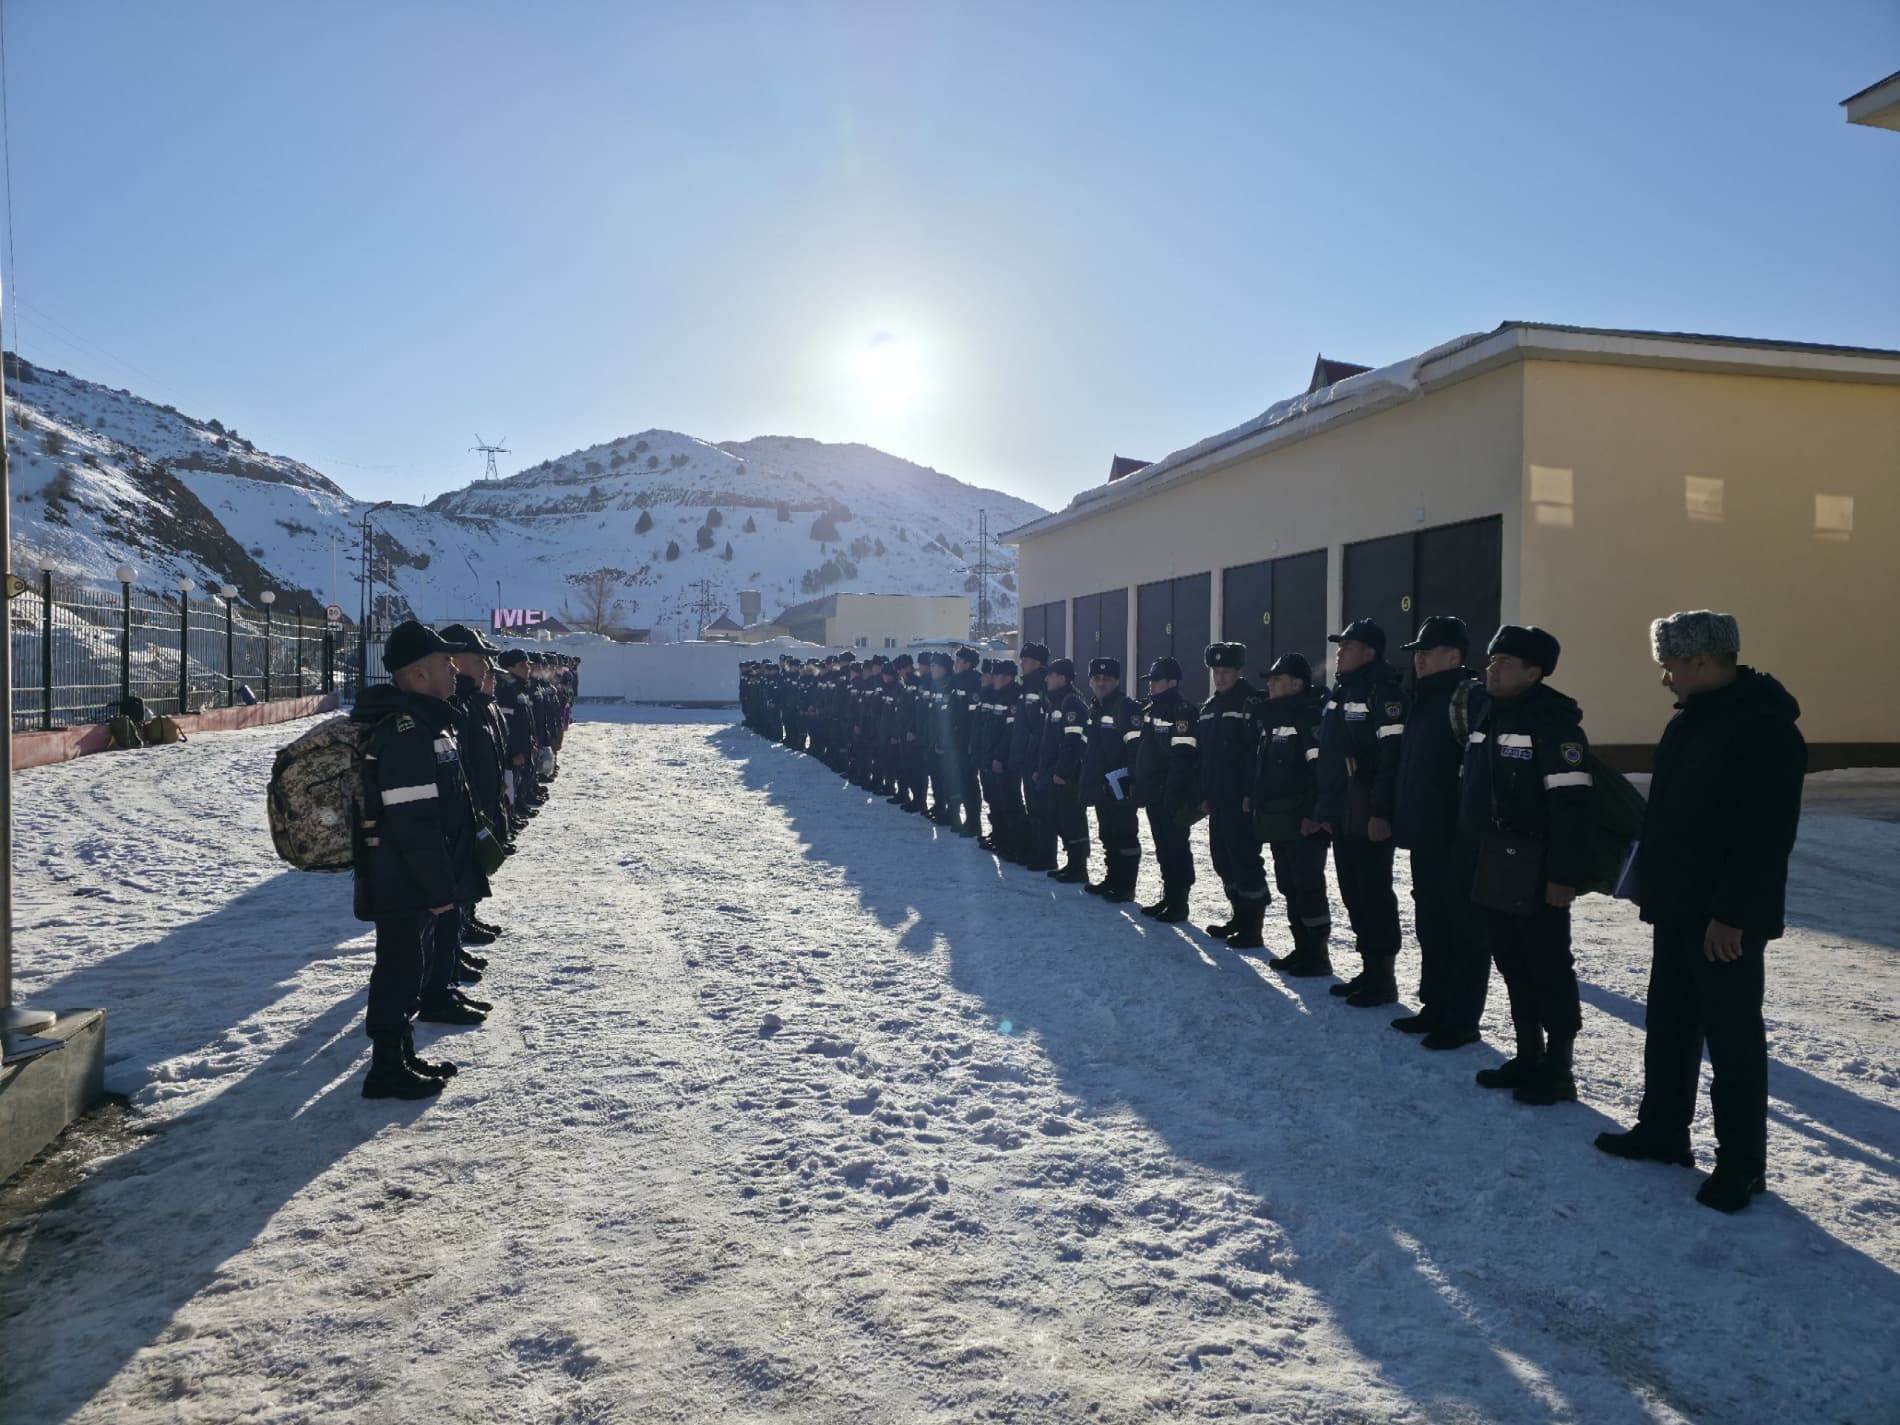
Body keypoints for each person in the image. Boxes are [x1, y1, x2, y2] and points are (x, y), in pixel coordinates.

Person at [1596, 611, 1806, 1213]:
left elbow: (1765, 838)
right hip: (1677, 906)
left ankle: (1742, 1164)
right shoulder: (1691, 721)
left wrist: (1734, 914)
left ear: (1703, 661)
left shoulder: (1763, 729)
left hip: (1724, 919)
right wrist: (1650, 882)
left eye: (1670, 665)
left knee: (1732, 1038)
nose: (1665, 677)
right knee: (1670, 1023)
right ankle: (1664, 1131)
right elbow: (1669, 816)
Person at [1457, 625, 1593, 1106]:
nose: (1492, 670)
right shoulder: (1490, 713)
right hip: (1496, 861)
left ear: (1534, 673)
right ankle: (1527, 1054)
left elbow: (1572, 807)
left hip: (1538, 868)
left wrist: (1563, 876)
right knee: (1511, 958)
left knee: (1548, 964)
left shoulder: (1554, 724)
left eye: (1505, 664)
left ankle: (1558, 1068)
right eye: (1491, 661)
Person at [350, 621, 485, 1101]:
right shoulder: (407, 731)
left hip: (411, 876)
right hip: (402, 877)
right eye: (445, 663)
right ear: (419, 675)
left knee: (408, 966)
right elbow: (414, 822)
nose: (454, 671)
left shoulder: (427, 721)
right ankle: (386, 1068)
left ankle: (400, 1054)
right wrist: (437, 887)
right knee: (398, 970)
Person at [1391, 616, 1489, 1049]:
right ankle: (1434, 1006)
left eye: (1427, 653)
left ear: (1454, 656)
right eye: (1418, 653)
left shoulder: (1469, 699)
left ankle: (1462, 1019)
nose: (1419, 660)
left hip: (1458, 837)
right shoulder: (1423, 699)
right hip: (1426, 836)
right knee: (1430, 923)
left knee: (1463, 928)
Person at [1314, 618, 1407, 1005]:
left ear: (1369, 653)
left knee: (1373, 893)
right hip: (1343, 810)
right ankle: (1369, 970)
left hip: (1368, 812)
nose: (1339, 653)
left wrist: (1381, 812)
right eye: (1339, 647)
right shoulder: (1343, 690)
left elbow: (1391, 758)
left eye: (1348, 647)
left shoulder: (1382, 692)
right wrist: (1326, 807)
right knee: (1353, 892)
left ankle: (1383, 977)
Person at [1252, 653, 1333, 976]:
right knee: (1289, 885)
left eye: (1277, 679)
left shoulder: (1309, 717)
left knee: (1308, 886)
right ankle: (1301, 948)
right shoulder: (1274, 716)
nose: (1270, 685)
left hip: (1303, 821)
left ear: (1297, 684)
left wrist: (1314, 813)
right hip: (1280, 818)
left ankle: (1317, 955)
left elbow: (1321, 770)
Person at [1199, 642, 1271, 949]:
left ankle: (1253, 927)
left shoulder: (1251, 703)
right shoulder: (1210, 706)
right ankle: (1239, 916)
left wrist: (1249, 793)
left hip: (1240, 799)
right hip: (1218, 798)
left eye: (1226, 671)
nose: (1220, 677)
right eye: (1216, 671)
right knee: (1222, 859)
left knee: (1245, 860)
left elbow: (1257, 754)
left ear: (1239, 671)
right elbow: (1205, 757)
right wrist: (1204, 794)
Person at [1134, 657, 1198, 921]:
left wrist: (1172, 791)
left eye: (1157, 680)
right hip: (1153, 791)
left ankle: (1179, 902)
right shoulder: (1153, 709)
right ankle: (1169, 897)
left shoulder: (1182, 711)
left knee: (1176, 846)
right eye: (1150, 681)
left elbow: (1183, 756)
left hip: (1172, 793)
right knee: (1162, 846)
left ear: (1172, 682)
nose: (1152, 685)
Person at [1078, 656, 1144, 901]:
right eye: (1097, 678)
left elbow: (1136, 748)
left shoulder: (1125, 707)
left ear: (1117, 681)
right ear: (1090, 681)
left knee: (1125, 835)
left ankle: (1125, 886)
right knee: (1108, 834)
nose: (1101, 683)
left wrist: (1130, 781)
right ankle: (1112, 879)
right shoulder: (1095, 708)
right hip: (1102, 785)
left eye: (1107, 679)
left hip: (1120, 785)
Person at [1038, 657, 1091, 882]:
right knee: (1060, 818)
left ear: (1062, 678)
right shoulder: (1057, 702)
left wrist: (1062, 772)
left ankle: (1079, 867)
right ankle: (1072, 863)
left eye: (1050, 675)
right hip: (1054, 771)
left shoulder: (1071, 703)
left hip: (1068, 775)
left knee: (1072, 819)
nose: (1047, 679)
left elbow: (1072, 742)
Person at [982, 659, 1027, 859]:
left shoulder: (1013, 697)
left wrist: (999, 756)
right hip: (991, 755)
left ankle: (1015, 844)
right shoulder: (996, 695)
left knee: (1010, 802)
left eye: (997, 675)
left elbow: (1010, 733)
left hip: (1006, 760)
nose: (993, 679)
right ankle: (1000, 838)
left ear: (1008, 677)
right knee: (995, 800)